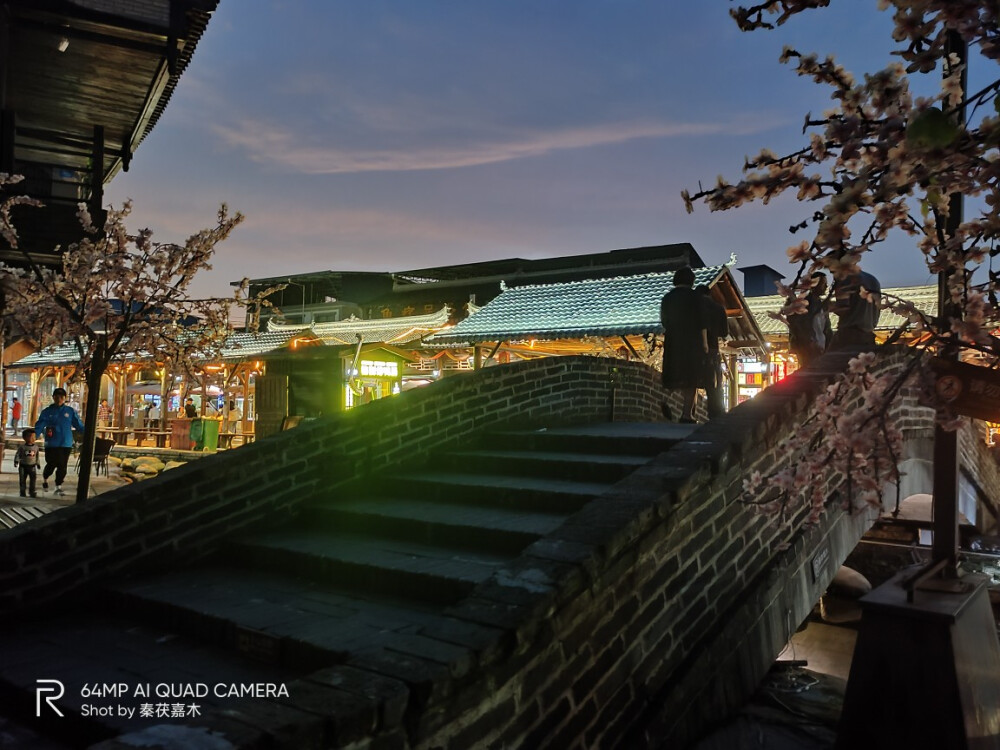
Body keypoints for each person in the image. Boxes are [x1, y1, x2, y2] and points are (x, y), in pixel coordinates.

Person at [660, 267, 710, 423]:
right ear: (692, 281)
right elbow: (703, 322)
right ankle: (686, 414)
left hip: (673, 340)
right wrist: (705, 343)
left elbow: (664, 321)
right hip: (692, 342)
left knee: (674, 373)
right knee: (691, 378)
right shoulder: (696, 298)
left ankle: (665, 400)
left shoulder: (667, 298)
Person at [35, 387, 84, 496]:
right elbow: (40, 424)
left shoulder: (70, 411)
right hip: (51, 443)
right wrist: (35, 434)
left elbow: (78, 424)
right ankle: (45, 478)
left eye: (61, 397)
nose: (59, 399)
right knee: (51, 463)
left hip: (65, 443)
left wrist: (86, 432)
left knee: (62, 465)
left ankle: (58, 486)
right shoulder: (47, 412)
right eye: (56, 396)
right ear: (53, 397)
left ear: (64, 398)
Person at [696, 284, 729, 419]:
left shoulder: (694, 308)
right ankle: (717, 414)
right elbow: (724, 332)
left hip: (694, 349)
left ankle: (689, 414)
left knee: (692, 384)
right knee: (715, 384)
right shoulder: (719, 308)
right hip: (713, 349)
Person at [787, 272, 833, 367]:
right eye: (823, 284)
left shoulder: (822, 305)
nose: (826, 286)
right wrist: (809, 341)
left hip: (822, 346)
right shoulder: (805, 302)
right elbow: (797, 324)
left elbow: (827, 329)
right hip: (808, 347)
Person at [830, 270, 881, 350]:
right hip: (868, 335)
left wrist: (825, 305)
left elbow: (843, 308)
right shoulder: (873, 280)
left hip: (848, 336)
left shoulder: (844, 277)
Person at [14, 428, 40, 498]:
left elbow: (37, 456)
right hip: (23, 466)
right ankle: (22, 491)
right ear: (25, 438)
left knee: (33, 479)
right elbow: (18, 454)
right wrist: (16, 461)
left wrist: (38, 463)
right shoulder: (22, 447)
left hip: (32, 466)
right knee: (22, 479)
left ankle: (32, 491)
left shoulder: (36, 447)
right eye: (31, 437)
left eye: (34, 437)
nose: (33, 438)